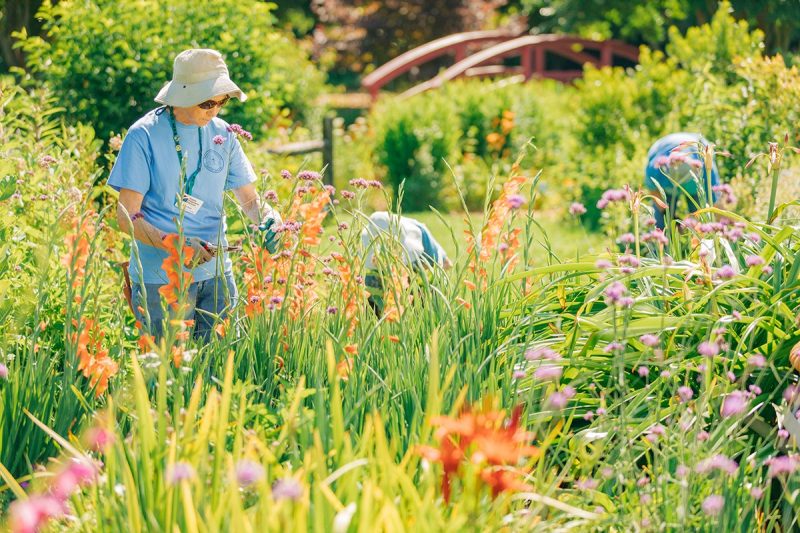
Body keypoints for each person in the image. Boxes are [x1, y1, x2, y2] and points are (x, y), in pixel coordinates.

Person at [108, 48, 280, 341]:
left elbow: (250, 200)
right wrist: (178, 244)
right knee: (167, 379)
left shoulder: (225, 134)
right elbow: (126, 217)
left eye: (222, 101)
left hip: (217, 279)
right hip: (159, 279)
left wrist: (270, 218)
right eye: (208, 102)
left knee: (217, 376)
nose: (215, 110)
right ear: (183, 95)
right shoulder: (143, 135)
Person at [360, 212, 451, 315]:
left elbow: (447, 264)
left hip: (417, 293)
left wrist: (418, 271)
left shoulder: (420, 233)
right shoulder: (362, 246)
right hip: (377, 295)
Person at [644, 132, 721, 230]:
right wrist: (671, 218)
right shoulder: (656, 168)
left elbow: (715, 204)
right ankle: (664, 243)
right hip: (663, 147)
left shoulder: (706, 168)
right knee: (661, 222)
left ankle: (695, 240)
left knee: (700, 220)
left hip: (695, 186)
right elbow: (654, 192)